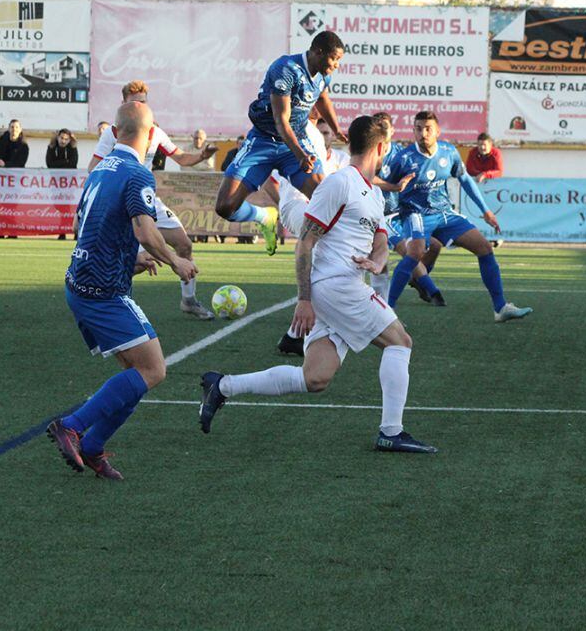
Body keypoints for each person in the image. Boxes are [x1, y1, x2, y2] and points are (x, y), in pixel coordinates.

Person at [198, 115, 437, 454]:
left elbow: (381, 242)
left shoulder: (374, 195)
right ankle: (391, 432)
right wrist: (303, 299)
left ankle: (222, 386)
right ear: (379, 148)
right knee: (400, 342)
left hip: (341, 286)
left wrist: (378, 261)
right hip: (337, 285)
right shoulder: (339, 184)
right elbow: (306, 242)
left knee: (315, 378)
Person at [47, 100, 198, 480]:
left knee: (136, 371)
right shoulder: (137, 173)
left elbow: (92, 229)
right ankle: (73, 426)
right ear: (150, 135)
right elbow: (145, 231)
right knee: (154, 369)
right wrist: (174, 261)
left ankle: (94, 448)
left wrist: (132, 261)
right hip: (103, 291)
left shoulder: (100, 170)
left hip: (81, 282)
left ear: (114, 133)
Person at [381, 110, 532, 322]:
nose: (422, 133)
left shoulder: (448, 152)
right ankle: (387, 313)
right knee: (414, 253)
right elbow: (383, 185)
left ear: (437, 131)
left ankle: (500, 308)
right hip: (415, 213)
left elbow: (466, 181)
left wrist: (485, 211)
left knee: (484, 248)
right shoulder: (403, 158)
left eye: (428, 129)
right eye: (418, 129)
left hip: (444, 213)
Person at [90, 80, 218, 320]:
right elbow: (93, 168)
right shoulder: (113, 133)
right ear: (124, 103)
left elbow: (180, 157)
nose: (140, 105)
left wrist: (202, 155)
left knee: (184, 244)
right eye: (135, 101)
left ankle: (189, 301)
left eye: (143, 101)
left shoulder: (155, 132)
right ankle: (101, 291)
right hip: (123, 200)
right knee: (139, 261)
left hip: (146, 196)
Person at [216, 31, 348, 255]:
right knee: (225, 207)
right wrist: (300, 155)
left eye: (339, 60)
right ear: (318, 52)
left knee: (325, 198)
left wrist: (337, 130)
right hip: (263, 141)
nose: (336, 65)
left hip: (294, 143)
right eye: (334, 59)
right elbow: (281, 121)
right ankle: (264, 216)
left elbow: (323, 98)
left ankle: (338, 256)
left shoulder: (323, 75)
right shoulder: (286, 68)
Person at [263, 111, 350, 356]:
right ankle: (325, 320)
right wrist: (282, 204)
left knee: (332, 252)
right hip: (300, 205)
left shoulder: (337, 155)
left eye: (327, 132)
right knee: (334, 243)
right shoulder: (296, 133)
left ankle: (296, 334)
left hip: (314, 206)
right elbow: (269, 177)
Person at [371, 111, 446, 305]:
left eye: (385, 127)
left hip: (401, 212)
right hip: (380, 215)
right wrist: (391, 186)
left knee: (435, 246)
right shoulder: (370, 152)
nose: (382, 130)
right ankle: (432, 291)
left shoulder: (401, 154)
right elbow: (367, 178)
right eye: (378, 127)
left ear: (392, 130)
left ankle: (417, 279)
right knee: (407, 250)